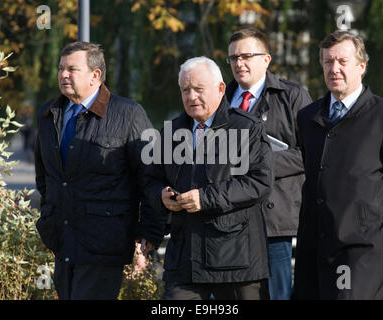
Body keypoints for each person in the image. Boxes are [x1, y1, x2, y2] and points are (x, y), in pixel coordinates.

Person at [34, 42, 165, 300]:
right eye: (61, 69)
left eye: (72, 69)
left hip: (104, 241)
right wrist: (48, 218)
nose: (63, 75)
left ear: (95, 75)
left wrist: (149, 231)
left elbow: (152, 174)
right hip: (62, 239)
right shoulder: (49, 114)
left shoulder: (127, 114)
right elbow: (45, 176)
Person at [293, 30, 383, 300]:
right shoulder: (307, 118)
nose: (334, 69)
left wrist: (376, 231)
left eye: (342, 61)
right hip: (312, 249)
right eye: (328, 62)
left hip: (360, 252)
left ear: (361, 66)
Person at [143, 56, 274, 300]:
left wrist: (205, 198)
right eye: (185, 90)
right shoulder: (170, 132)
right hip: (185, 260)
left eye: (198, 89)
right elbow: (151, 180)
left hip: (236, 262)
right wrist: (160, 196)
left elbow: (259, 182)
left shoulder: (246, 128)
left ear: (220, 88)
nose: (191, 97)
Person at [225, 28, 312, 300]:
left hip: (274, 221)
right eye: (233, 58)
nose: (240, 63)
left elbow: (312, 154)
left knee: (277, 295)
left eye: (247, 56)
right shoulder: (219, 99)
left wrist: (260, 162)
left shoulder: (293, 96)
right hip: (227, 218)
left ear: (266, 59)